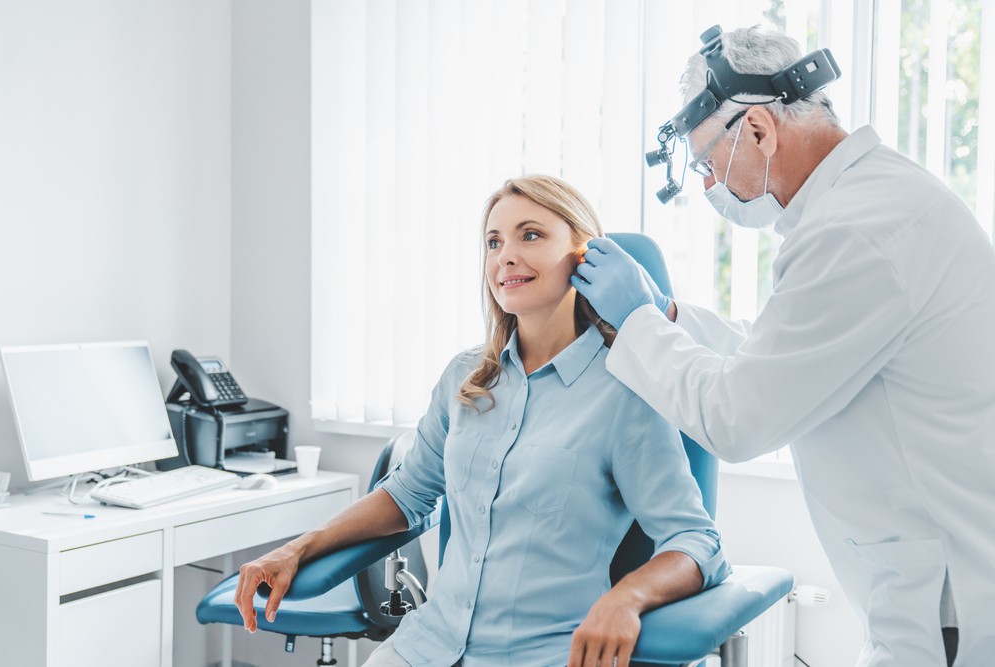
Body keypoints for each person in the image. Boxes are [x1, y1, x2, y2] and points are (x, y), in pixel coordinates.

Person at [572, 25, 995, 667]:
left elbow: (739, 417)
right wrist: (669, 315)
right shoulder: (871, 205)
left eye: (709, 162)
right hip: (926, 591)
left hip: (945, 607)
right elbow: (785, 354)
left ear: (761, 131)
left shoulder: (857, 233)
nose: (710, 184)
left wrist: (635, 322)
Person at [234, 175, 730, 667]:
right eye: (494, 242)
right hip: (425, 645)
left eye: (529, 235)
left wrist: (626, 598)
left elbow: (697, 542)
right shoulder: (465, 378)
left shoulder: (624, 391)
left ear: (585, 256)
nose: (504, 256)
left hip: (544, 655)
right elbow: (408, 493)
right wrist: (297, 548)